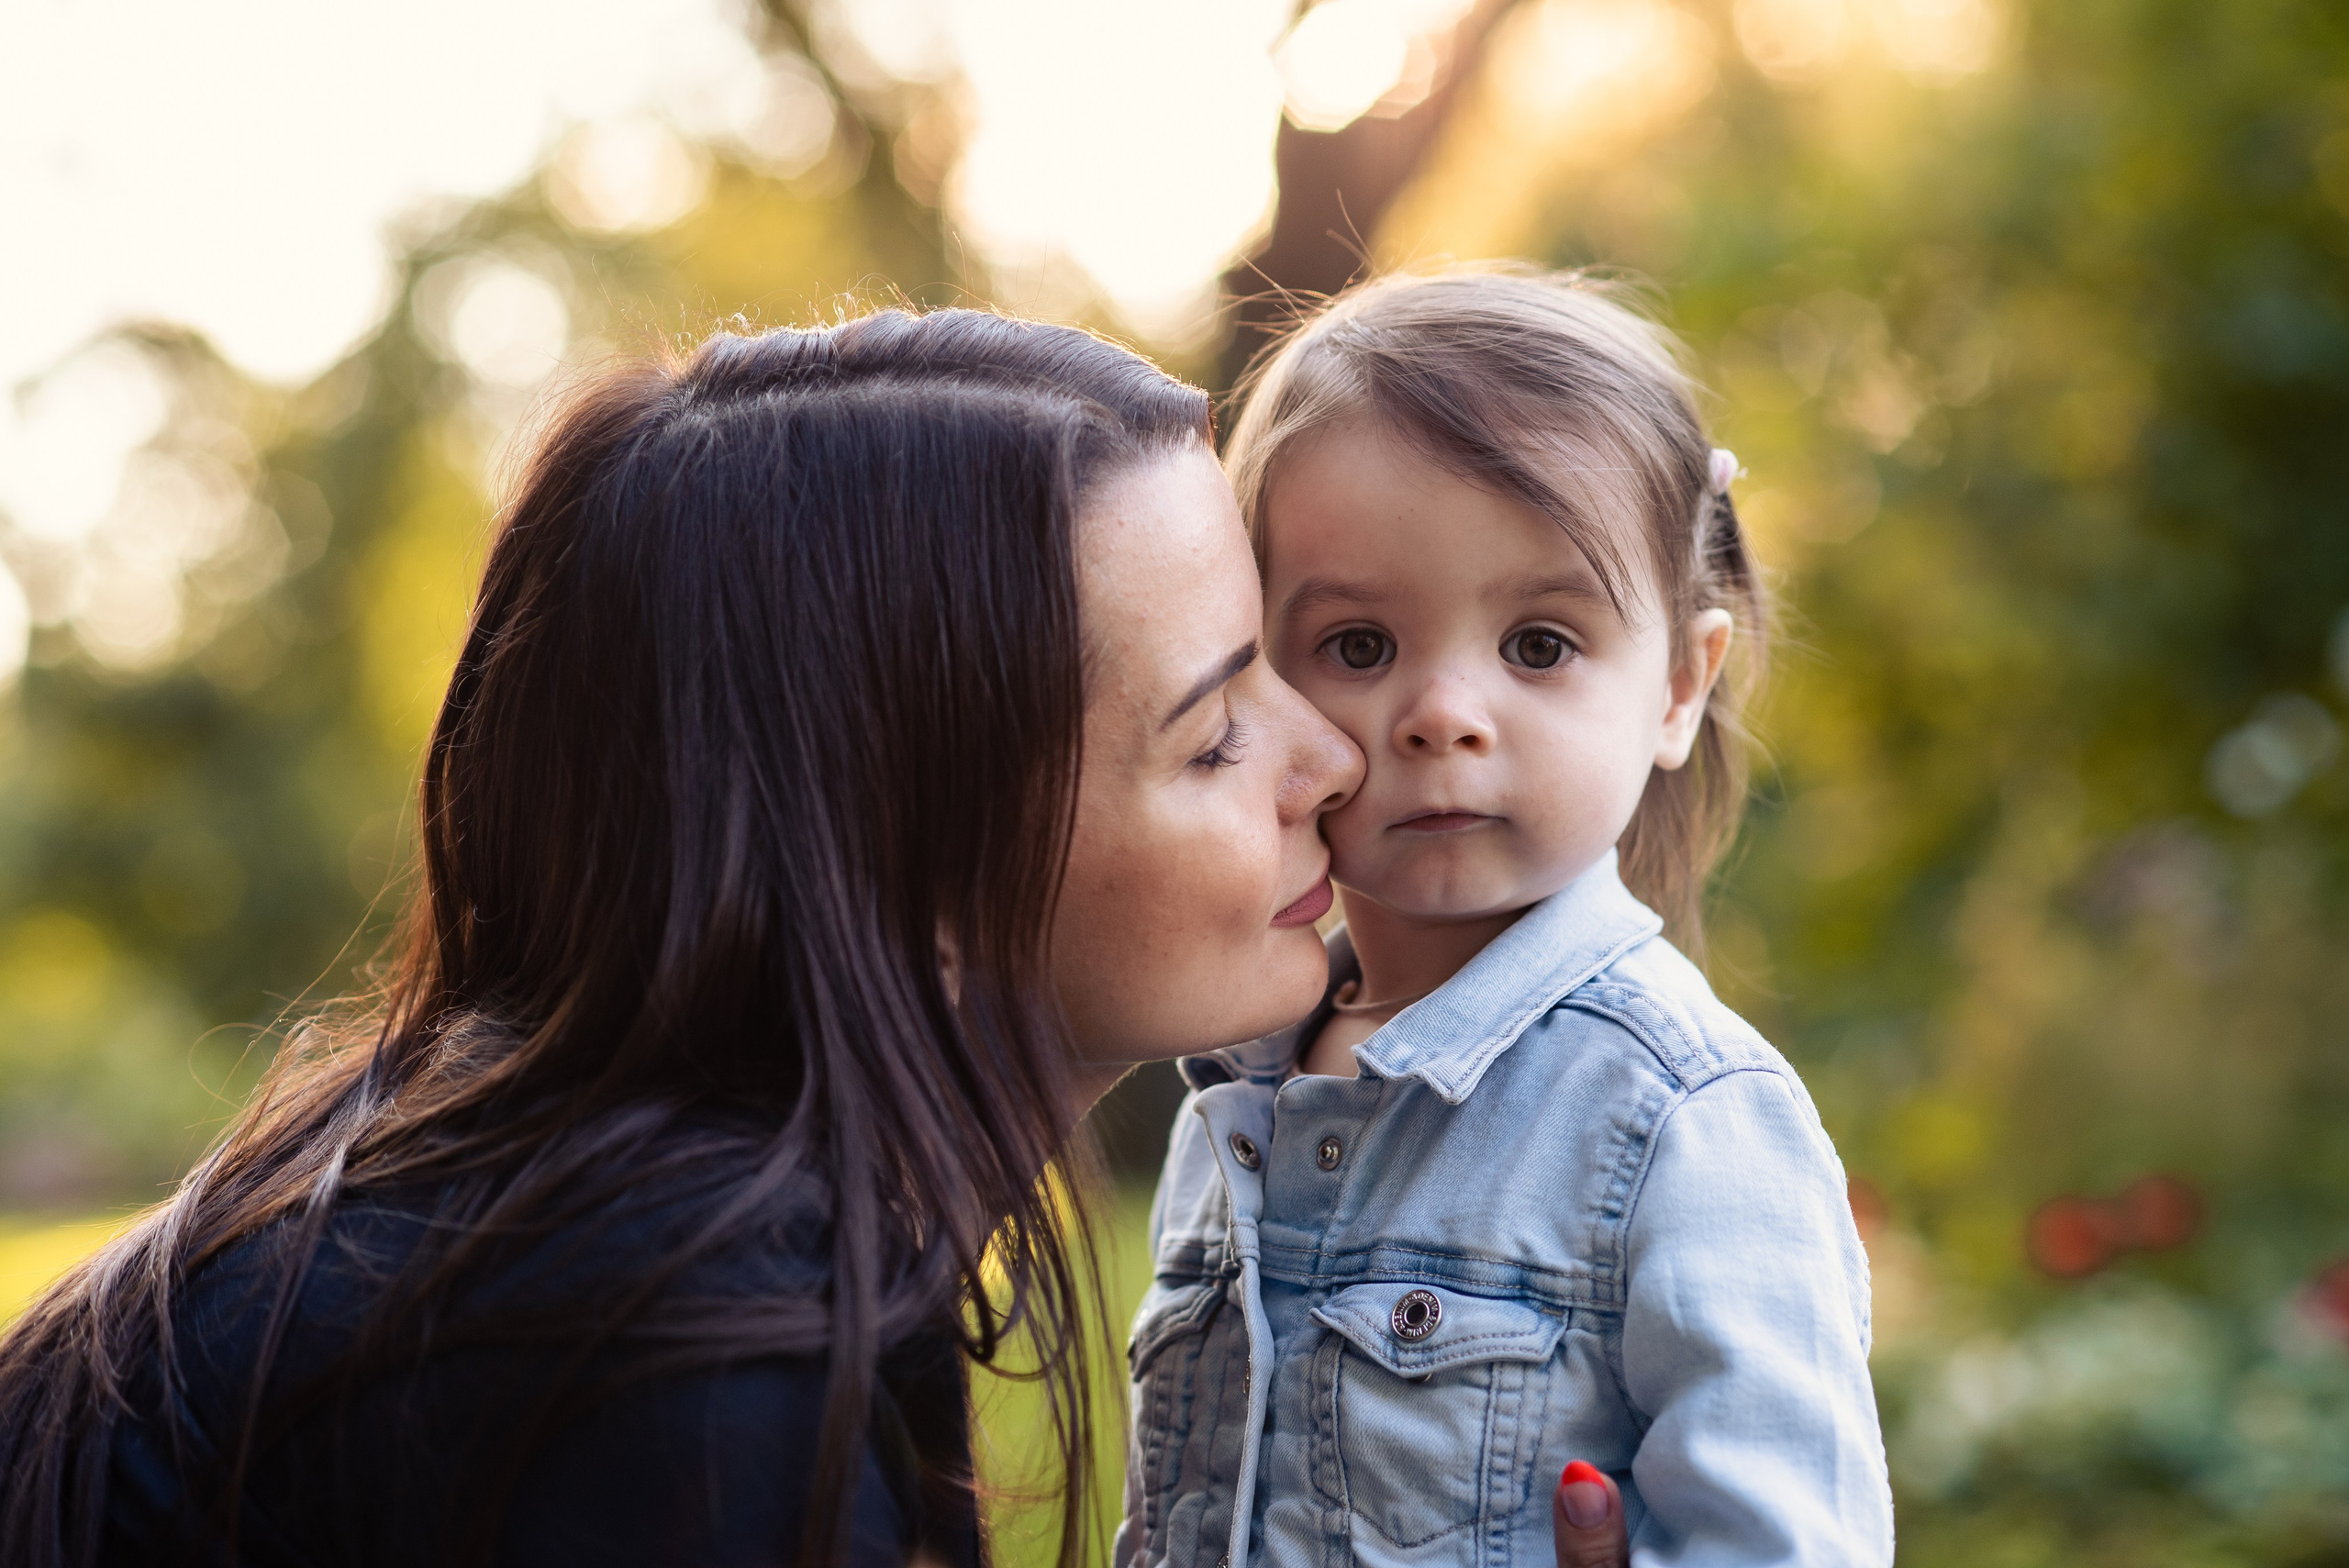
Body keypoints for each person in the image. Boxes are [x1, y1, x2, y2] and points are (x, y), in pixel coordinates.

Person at [0, 307, 1365, 1568]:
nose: (1336, 759)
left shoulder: (635, 1228)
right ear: (904, 875)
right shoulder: (676, 1347)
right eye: (1217, 734)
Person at [1118, 268, 1894, 1568]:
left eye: (1539, 643)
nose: (1443, 712)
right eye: (1360, 646)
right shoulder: (1238, 1087)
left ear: (1676, 688)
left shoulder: (1681, 1122)